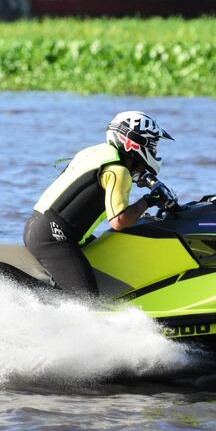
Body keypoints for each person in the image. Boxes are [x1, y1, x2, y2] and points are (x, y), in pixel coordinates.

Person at [23, 111, 175, 296]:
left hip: (38, 225)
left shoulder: (96, 152)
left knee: (109, 259)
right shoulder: (119, 171)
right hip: (54, 236)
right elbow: (119, 221)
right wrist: (150, 200)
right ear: (135, 142)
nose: (155, 151)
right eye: (152, 145)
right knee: (87, 301)